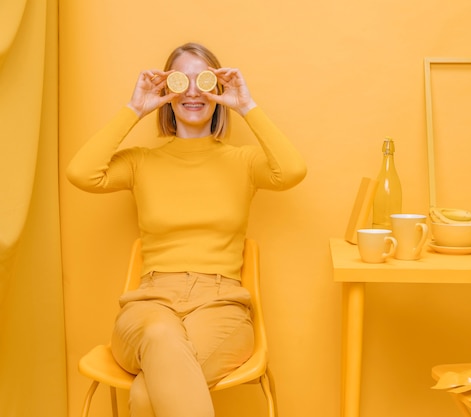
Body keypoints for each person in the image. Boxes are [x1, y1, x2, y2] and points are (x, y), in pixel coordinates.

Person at [67, 42, 307, 417]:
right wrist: (135, 109)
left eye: (204, 81)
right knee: (160, 337)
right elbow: (81, 173)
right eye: (182, 81)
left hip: (221, 304)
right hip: (148, 304)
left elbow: (291, 171)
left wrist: (246, 106)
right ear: (167, 92)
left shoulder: (242, 162)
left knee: (149, 393)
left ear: (218, 91)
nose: (194, 91)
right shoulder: (141, 162)